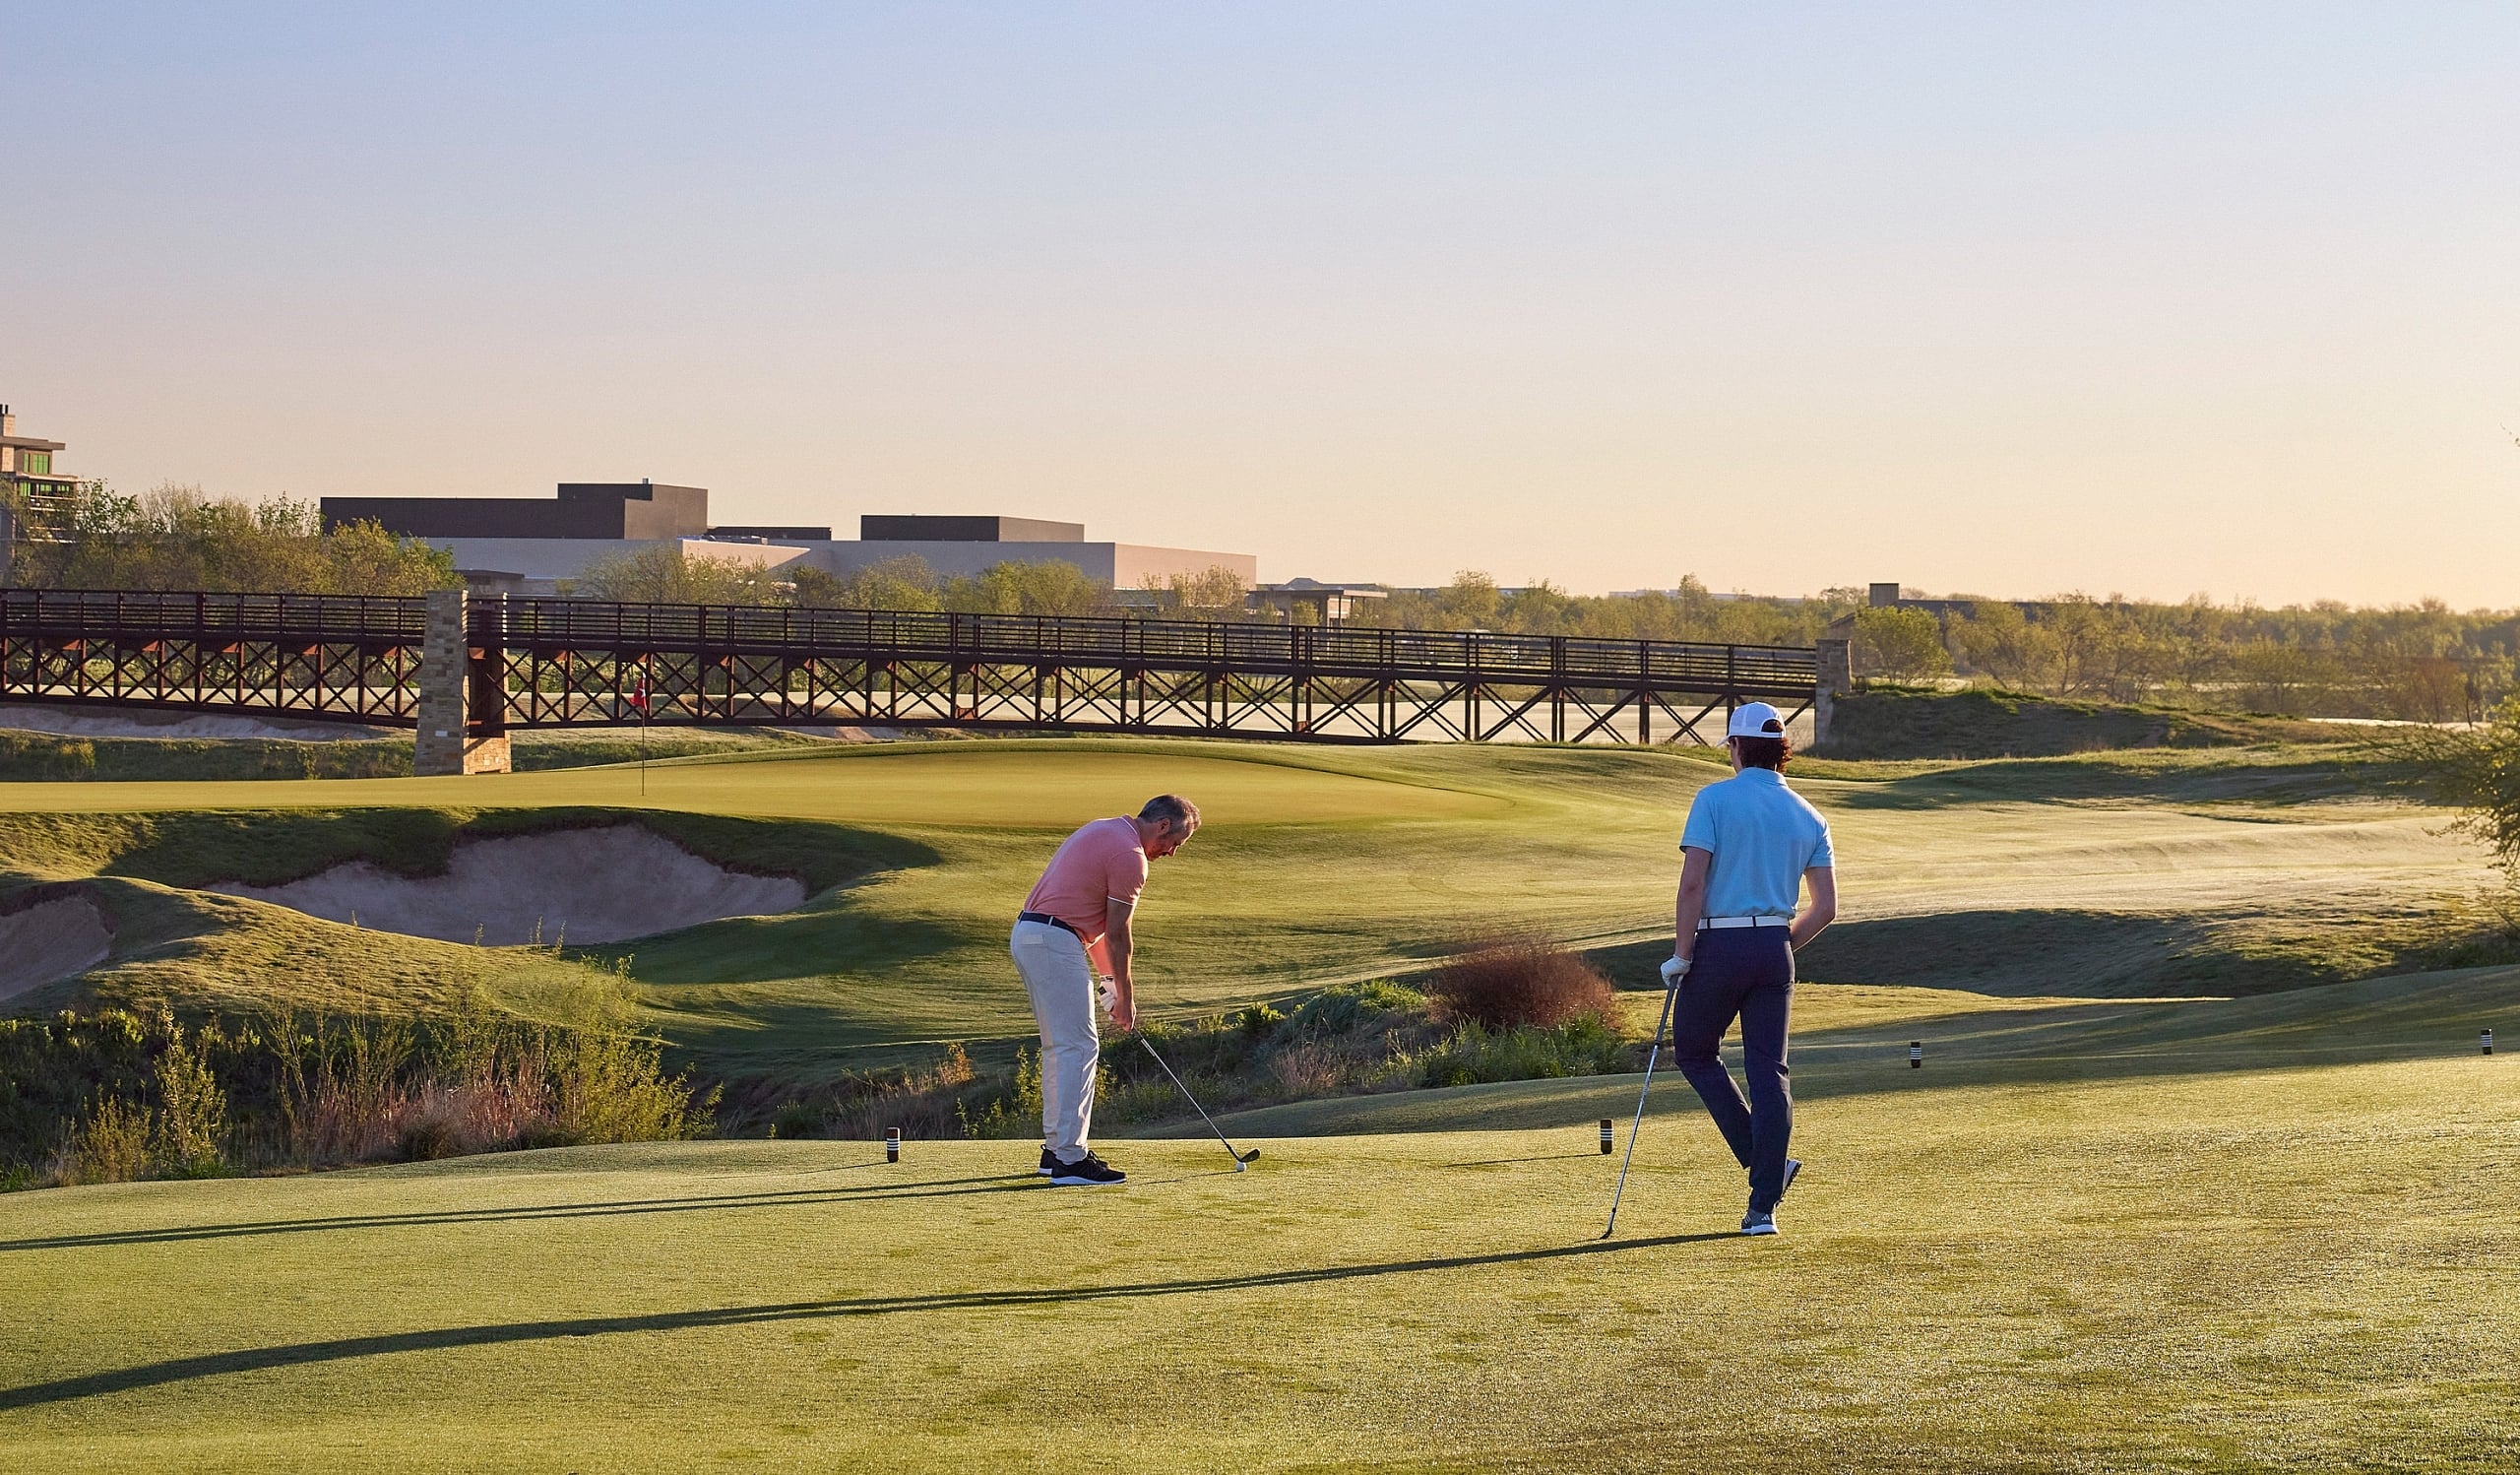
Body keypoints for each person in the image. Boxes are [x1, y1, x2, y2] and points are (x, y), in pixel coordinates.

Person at [1662, 702, 1837, 1236]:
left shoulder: (1713, 799)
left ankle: (1763, 1164)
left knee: (1693, 1051)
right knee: (1770, 1073)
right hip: (1773, 950)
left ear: (1737, 747)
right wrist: (1779, 946)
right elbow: (1826, 907)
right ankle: (1763, 1207)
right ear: (1781, 750)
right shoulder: (1809, 814)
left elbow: (1693, 885)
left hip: (1717, 948)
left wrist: (1682, 954)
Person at [1011, 794, 1201, 1186]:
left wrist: (1109, 984)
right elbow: (1118, 934)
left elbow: (1093, 929)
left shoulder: (1104, 828)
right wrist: (1127, 999)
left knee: (1060, 1047)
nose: (1171, 853)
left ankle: (1056, 1151)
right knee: (1080, 1047)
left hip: (1032, 934)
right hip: (1053, 940)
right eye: (1175, 843)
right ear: (1163, 825)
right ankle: (1070, 1159)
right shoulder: (1131, 855)